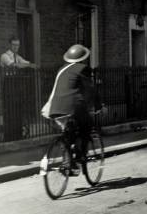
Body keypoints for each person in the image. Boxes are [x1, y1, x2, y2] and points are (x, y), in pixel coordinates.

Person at [41, 44, 102, 173]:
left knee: (67, 134)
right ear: (82, 58)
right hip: (72, 108)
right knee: (87, 126)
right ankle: (81, 156)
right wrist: (98, 106)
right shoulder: (83, 68)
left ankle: (68, 163)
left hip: (55, 108)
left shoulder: (61, 69)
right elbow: (91, 90)